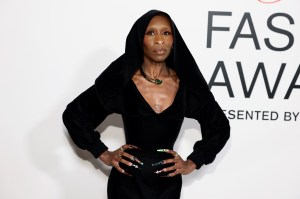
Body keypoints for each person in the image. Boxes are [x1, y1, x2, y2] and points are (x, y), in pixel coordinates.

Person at [62, 10, 230, 199]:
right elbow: (74, 114)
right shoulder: (123, 81)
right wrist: (103, 152)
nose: (159, 40)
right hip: (126, 182)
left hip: (167, 185)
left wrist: (193, 162)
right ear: (139, 40)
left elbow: (220, 126)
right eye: (151, 33)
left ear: (174, 40)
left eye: (166, 33)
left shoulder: (186, 85)